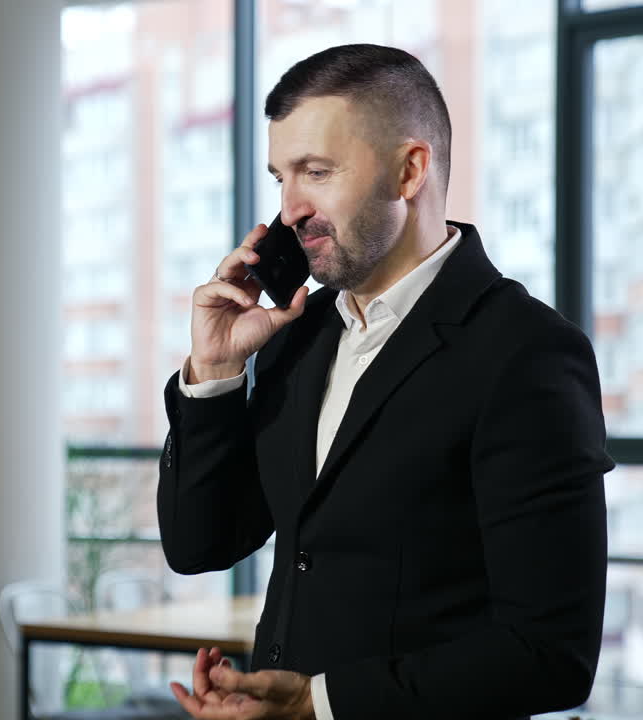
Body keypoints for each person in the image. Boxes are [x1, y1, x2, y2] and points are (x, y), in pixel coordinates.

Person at [158, 44, 613, 720]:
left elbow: (551, 654)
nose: (290, 209)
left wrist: (319, 703)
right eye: (281, 176)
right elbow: (202, 545)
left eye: (316, 171)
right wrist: (216, 375)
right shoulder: (298, 336)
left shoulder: (527, 354)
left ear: (409, 170)